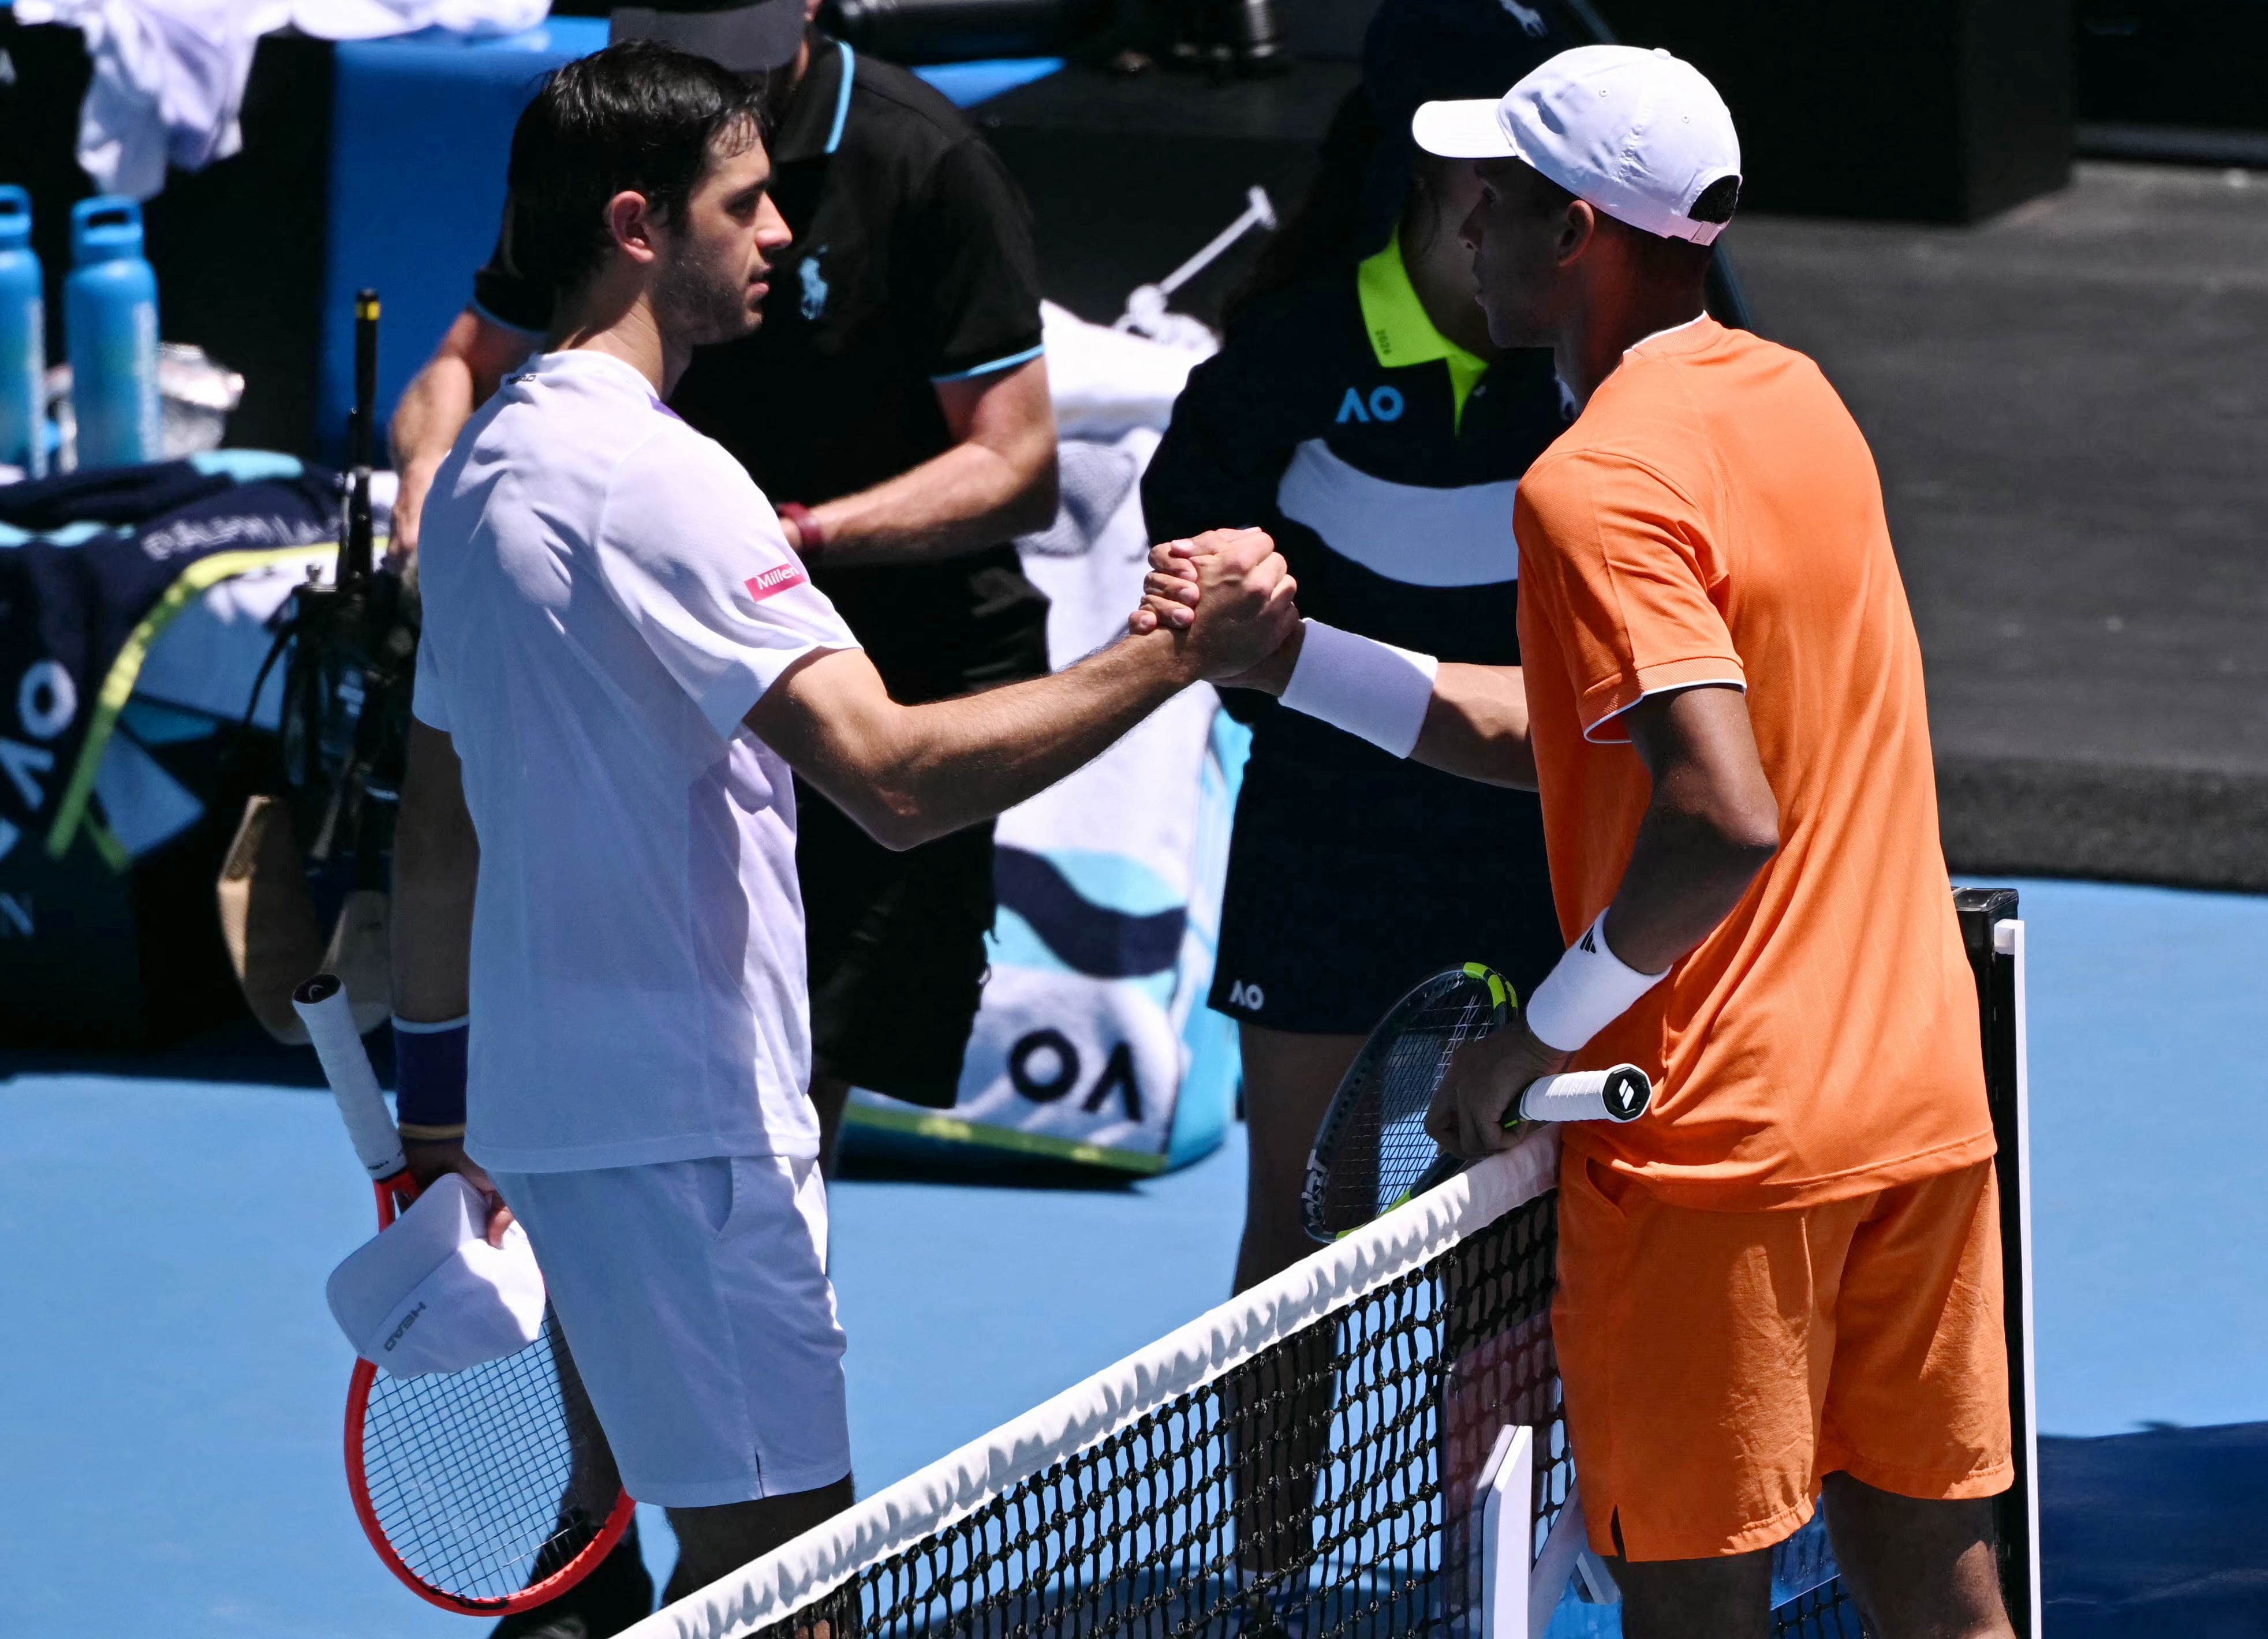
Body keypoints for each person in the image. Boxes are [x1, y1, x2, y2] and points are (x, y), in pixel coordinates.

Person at [390, 39, 1294, 1629]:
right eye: (742, 205)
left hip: (551, 1123)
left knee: (689, 1581)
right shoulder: (668, 484)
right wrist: (1172, 657)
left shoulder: (471, 480)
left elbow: (437, 843)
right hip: (693, 1133)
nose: (781, 233)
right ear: (637, 227)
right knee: (791, 1599)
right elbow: (891, 777)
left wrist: (435, 1123)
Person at [1141, 44, 2016, 1639]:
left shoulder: (1591, 483)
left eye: (1498, 198)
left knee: (1691, 1607)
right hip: (1917, 1102)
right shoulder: (1798, 402)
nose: (1466, 225)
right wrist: (1290, 664)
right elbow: (1570, 733)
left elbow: (1719, 815)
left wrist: (1536, 1035)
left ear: (1576, 235)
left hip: (1717, 1149)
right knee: (1935, 1585)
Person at [389, 0, 1058, 1174]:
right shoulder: (628, 147)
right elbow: (463, 361)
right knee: (701, 1104)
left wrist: (796, 538)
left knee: (790, 1085)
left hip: (889, 650)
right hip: (681, 623)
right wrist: (428, 512)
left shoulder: (928, 162)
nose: (776, 233)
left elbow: (1017, 461)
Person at [1140, 0, 1571, 1380]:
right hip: (1328, 850)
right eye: (1490, 151)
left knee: (1516, 1237)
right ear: (1420, 159)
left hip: (1543, 850)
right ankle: (1269, 1538)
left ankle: (1487, 1533)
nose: (1517, 186)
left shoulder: (1592, 356)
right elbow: (1196, 592)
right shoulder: (1292, 356)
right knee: (1300, 1234)